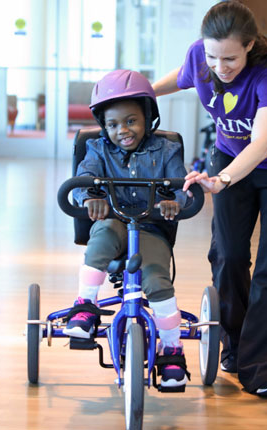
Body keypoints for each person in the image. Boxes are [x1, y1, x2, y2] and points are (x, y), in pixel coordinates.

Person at [153, 1, 267, 398]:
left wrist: (222, 180)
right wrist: (143, 92)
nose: (219, 67)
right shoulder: (201, 56)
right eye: (212, 57)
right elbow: (185, 75)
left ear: (249, 46)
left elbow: (261, 143)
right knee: (227, 255)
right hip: (228, 155)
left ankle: (264, 371)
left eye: (230, 58)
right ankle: (236, 347)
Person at [62, 69, 191, 391]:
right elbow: (83, 178)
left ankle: (172, 349)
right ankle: (85, 305)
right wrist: (91, 196)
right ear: (104, 127)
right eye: (113, 124)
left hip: (151, 227)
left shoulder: (167, 151)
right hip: (112, 219)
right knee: (103, 236)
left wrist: (175, 201)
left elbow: (181, 186)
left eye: (131, 121)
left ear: (148, 118)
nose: (123, 130)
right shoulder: (97, 149)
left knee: (158, 278)